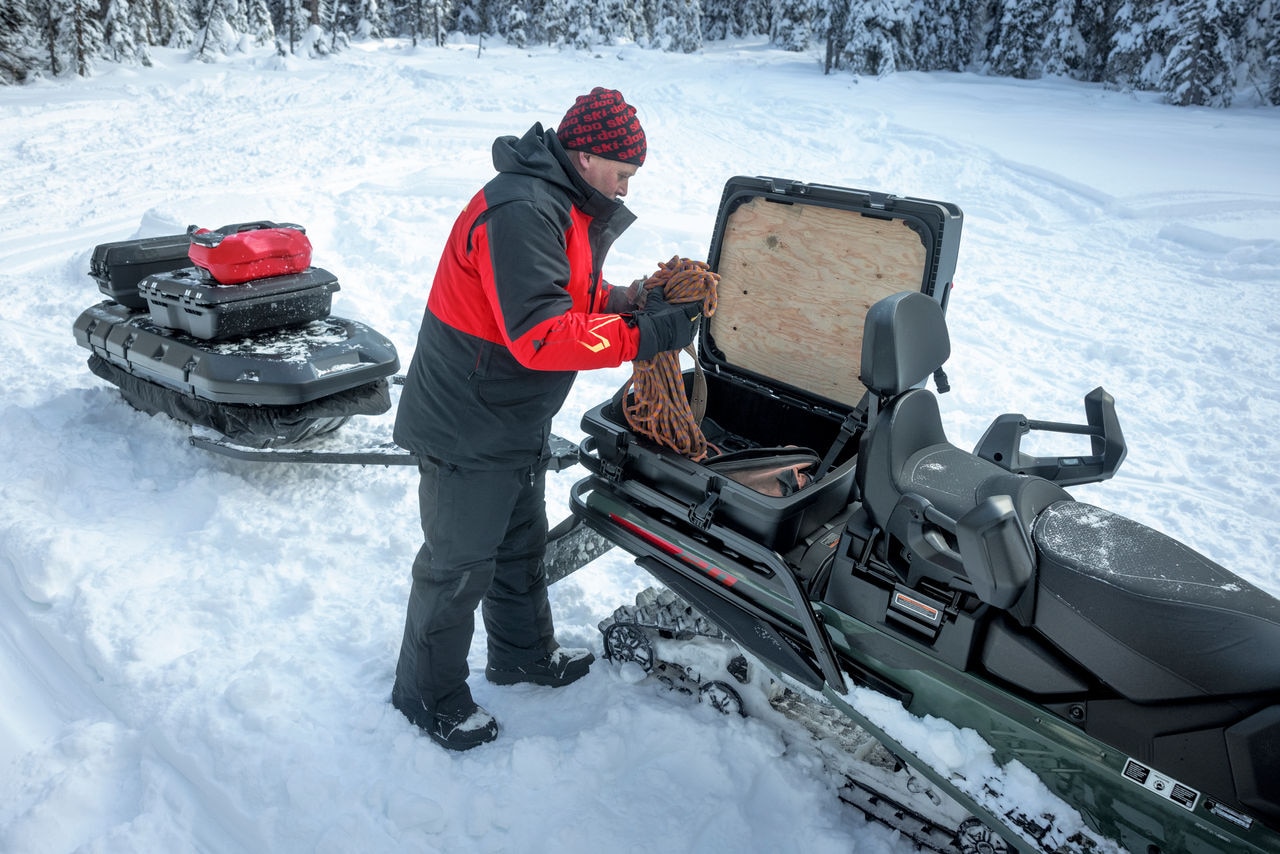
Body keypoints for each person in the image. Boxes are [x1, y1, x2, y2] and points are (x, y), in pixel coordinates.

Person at [390, 87, 701, 751]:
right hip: (467, 420)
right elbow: (540, 333)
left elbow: (574, 294)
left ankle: (521, 655)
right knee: (458, 566)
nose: (624, 188)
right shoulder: (524, 207)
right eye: (622, 173)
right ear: (586, 155)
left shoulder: (560, 202)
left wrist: (634, 301)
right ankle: (424, 694)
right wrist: (642, 338)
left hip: (508, 414)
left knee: (518, 546)